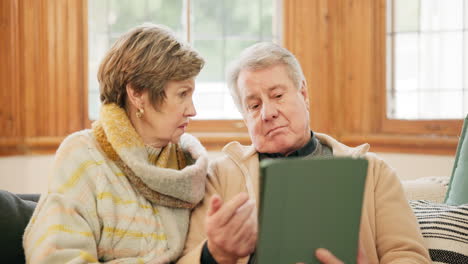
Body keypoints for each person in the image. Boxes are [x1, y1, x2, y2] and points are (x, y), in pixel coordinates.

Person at [177, 42, 431, 264]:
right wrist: (215, 254)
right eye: (254, 105)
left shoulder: (373, 171)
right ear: (245, 117)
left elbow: (409, 255)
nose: (268, 113)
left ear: (303, 93)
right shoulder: (220, 177)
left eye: (277, 95)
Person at [23, 24, 208, 263]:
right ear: (137, 94)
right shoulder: (83, 156)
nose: (192, 110)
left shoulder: (189, 165)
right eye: (182, 94)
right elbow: (55, 257)